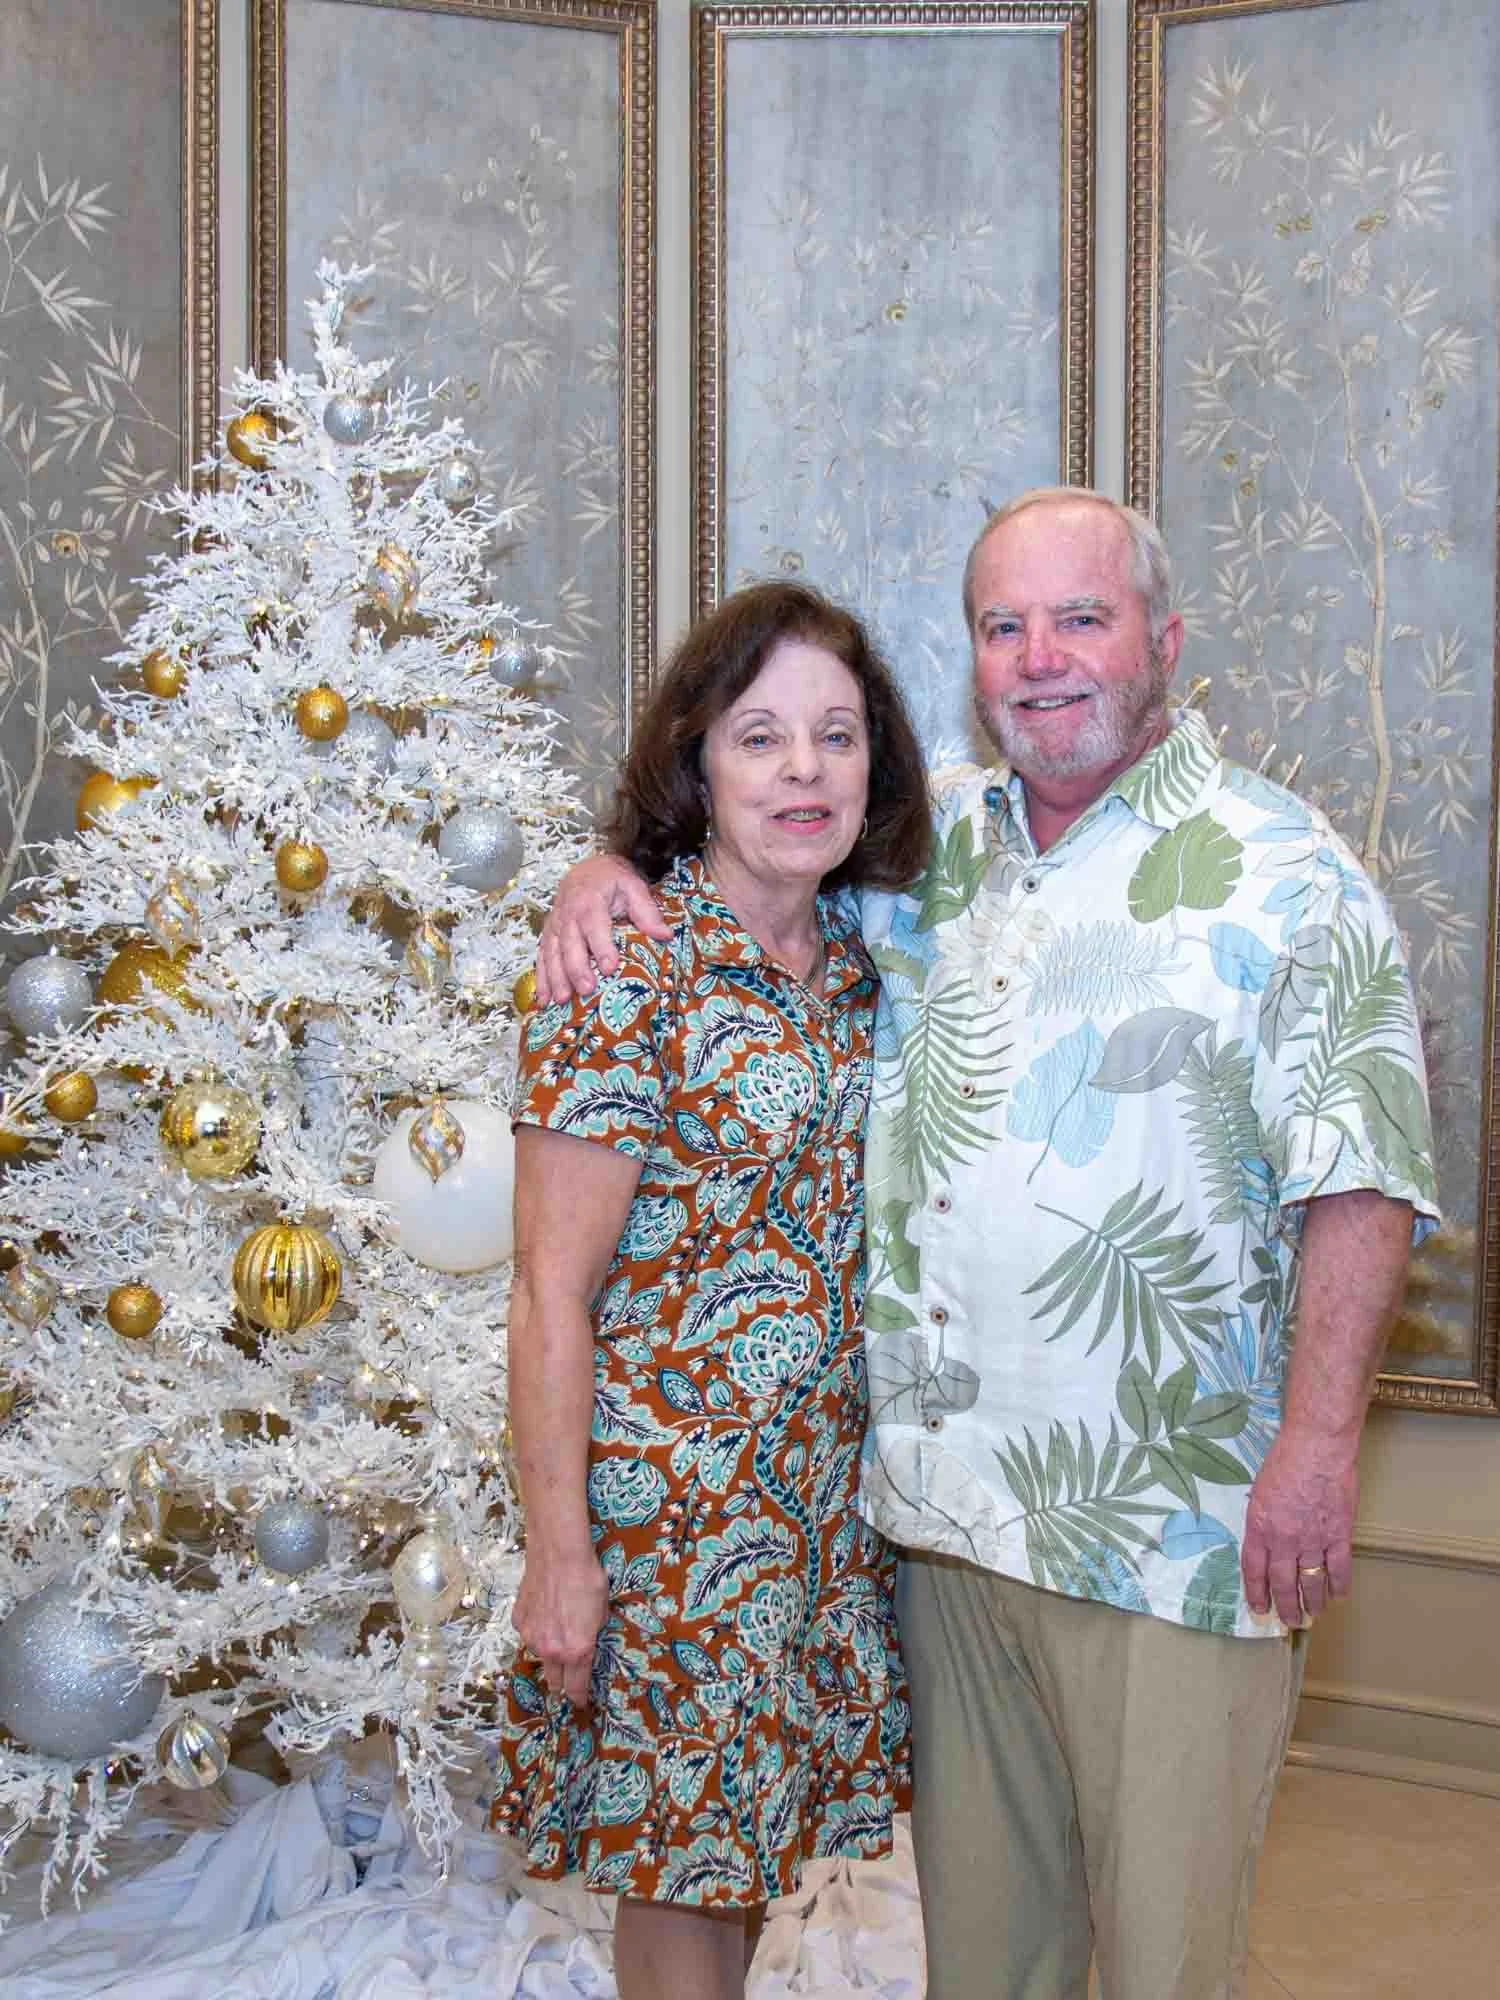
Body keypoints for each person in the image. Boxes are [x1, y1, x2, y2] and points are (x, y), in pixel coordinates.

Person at [531, 489, 1440, 2000]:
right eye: (1001, 626)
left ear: (1163, 640)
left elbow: (1363, 1178)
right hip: (946, 1531)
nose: (1041, 658)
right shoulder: (924, 851)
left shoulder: (1289, 873)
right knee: (992, 1964)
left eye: (1080, 617)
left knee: (1158, 1959)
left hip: (1173, 1533)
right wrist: (601, 869)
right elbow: (744, 869)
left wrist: (1319, 1446)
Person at [492, 579, 929, 2000]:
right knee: (680, 1876)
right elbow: (548, 1289)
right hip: (671, 1525)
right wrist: (562, 1556)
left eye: (838, 734)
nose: (805, 770)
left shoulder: (871, 966)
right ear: (698, 761)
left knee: (742, 1852)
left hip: (818, 1515)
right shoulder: (627, 968)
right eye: (760, 736)